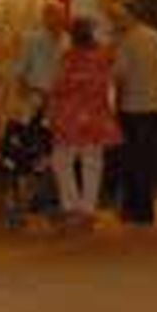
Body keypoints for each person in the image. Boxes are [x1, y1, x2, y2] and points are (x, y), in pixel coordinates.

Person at [48, 16, 120, 228]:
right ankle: (88, 209)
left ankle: (71, 206)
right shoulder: (104, 57)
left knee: (62, 160)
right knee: (93, 162)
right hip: (96, 114)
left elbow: (59, 85)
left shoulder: (69, 58)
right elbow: (109, 84)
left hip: (70, 115)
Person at [108, 0, 157, 224]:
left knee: (133, 159)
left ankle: (136, 209)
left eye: (119, 17)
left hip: (134, 106)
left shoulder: (127, 40)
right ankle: (144, 209)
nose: (116, 21)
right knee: (147, 158)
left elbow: (119, 73)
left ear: (130, 17)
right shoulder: (156, 36)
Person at [13, 0, 69, 121]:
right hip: (35, 96)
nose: (57, 19)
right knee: (32, 134)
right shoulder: (31, 40)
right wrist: (24, 95)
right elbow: (20, 71)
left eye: (60, 15)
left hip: (60, 99)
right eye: (52, 14)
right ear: (45, 17)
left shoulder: (68, 42)